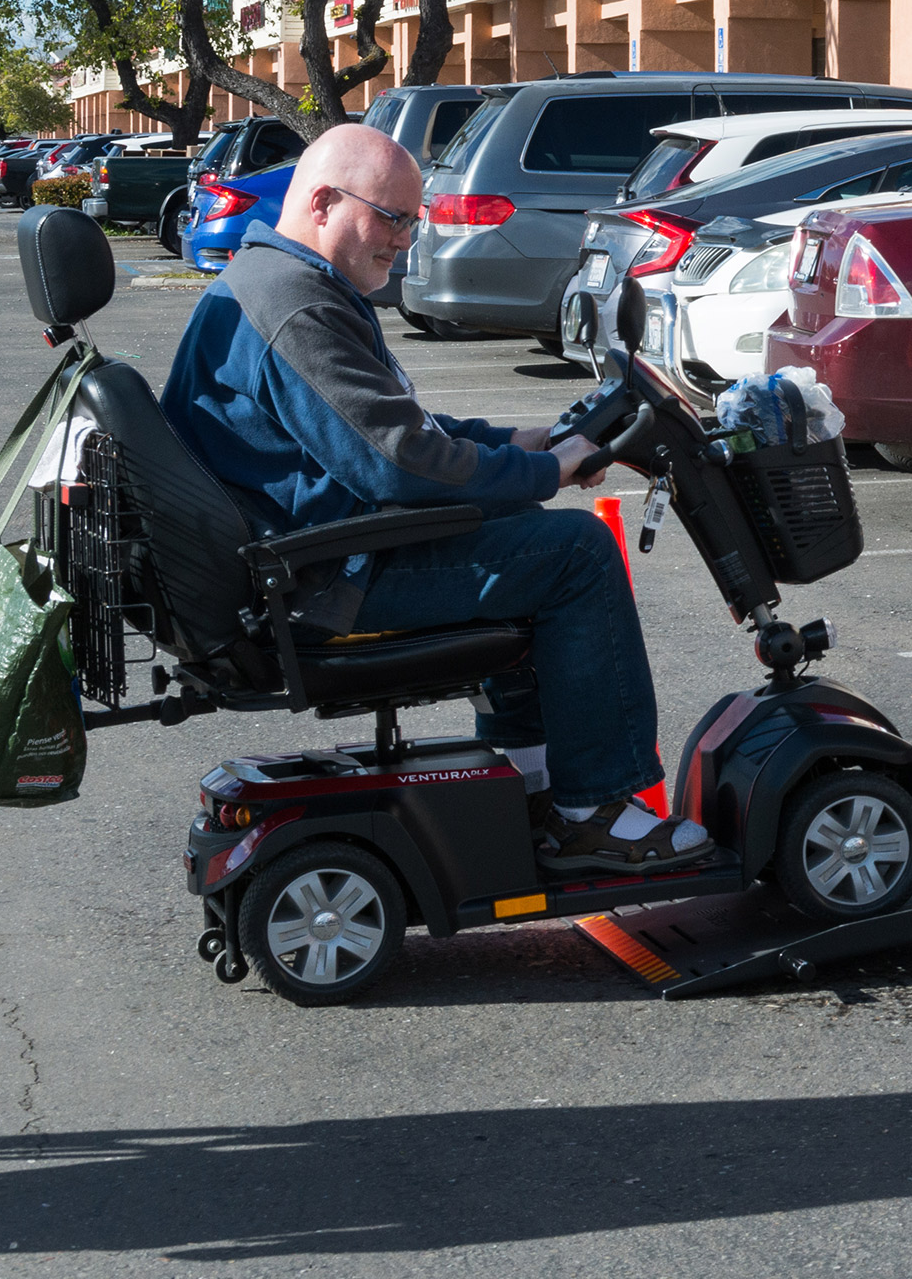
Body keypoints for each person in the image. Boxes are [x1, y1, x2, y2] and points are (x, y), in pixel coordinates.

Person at [158, 123, 705, 873]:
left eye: (413, 220)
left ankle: (537, 782)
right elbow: (400, 464)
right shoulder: (297, 306)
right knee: (574, 554)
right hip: (321, 578)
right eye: (391, 216)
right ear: (322, 201)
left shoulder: (284, 281)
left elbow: (396, 427)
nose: (405, 240)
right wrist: (547, 475)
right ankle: (593, 813)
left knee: (517, 527)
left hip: (307, 555)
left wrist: (525, 441)